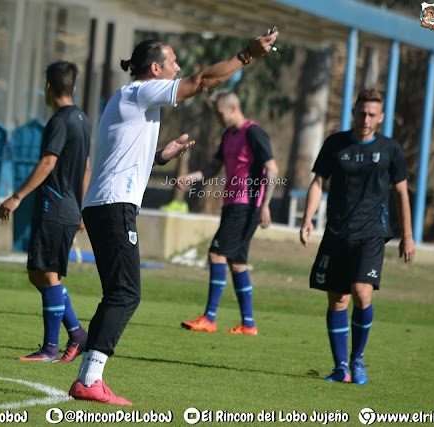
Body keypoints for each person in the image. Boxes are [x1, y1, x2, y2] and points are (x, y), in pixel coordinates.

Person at [69, 29, 279, 406]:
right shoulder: (139, 91)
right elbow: (202, 82)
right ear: (155, 68)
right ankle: (90, 377)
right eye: (173, 63)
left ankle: (89, 375)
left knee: (118, 293)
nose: (179, 68)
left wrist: (161, 157)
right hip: (113, 207)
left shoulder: (132, 103)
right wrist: (247, 55)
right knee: (126, 293)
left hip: (107, 205)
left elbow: (119, 159)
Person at [299, 89, 415, 385]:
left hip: (372, 232)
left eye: (372, 114)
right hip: (337, 232)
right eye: (362, 113)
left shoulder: (390, 149)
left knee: (362, 291)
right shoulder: (335, 144)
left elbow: (401, 192)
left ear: (381, 117)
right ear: (354, 113)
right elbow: (318, 182)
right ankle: (340, 367)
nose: (366, 119)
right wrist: (308, 218)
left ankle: (358, 360)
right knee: (337, 300)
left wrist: (408, 236)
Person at [0, 61, 91, 364]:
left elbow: (49, 163)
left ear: (48, 89)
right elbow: (86, 166)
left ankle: (50, 349)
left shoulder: (59, 121)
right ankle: (76, 333)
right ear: (73, 88)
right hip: (69, 207)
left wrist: (16, 196)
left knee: (47, 275)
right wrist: (83, 207)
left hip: (54, 206)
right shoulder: (82, 119)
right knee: (38, 274)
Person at [179, 90, 278, 336]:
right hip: (233, 203)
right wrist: (192, 178)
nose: (218, 118)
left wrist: (265, 204)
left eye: (220, 113)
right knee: (238, 263)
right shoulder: (228, 135)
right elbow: (215, 166)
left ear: (232, 108)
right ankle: (248, 324)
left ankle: (209, 318)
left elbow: (272, 169)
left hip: (246, 205)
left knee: (216, 254)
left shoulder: (253, 132)